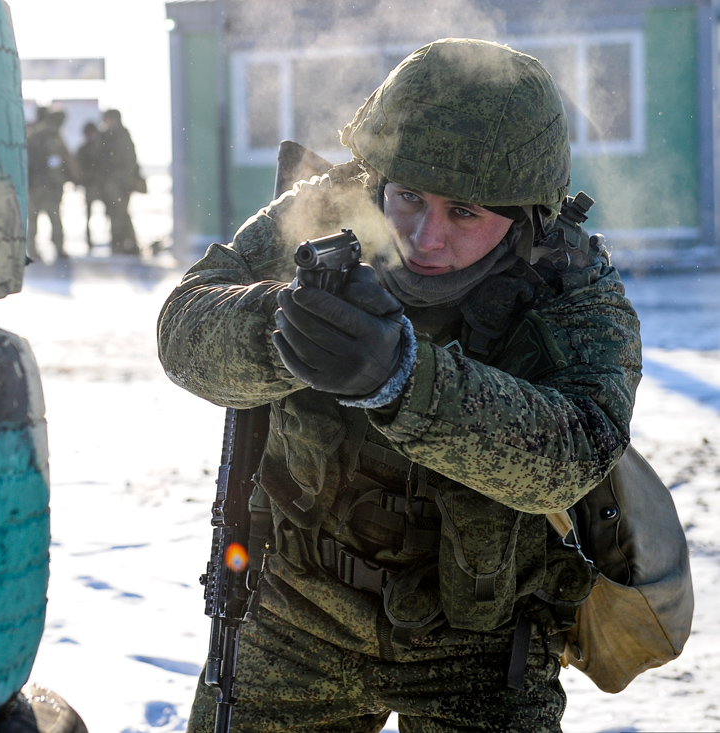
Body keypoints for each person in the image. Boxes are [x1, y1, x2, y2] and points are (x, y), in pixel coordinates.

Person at [157, 38, 641, 732]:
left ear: (526, 216)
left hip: (480, 650)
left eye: (464, 212)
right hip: (293, 616)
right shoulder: (329, 210)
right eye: (408, 196)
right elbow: (183, 329)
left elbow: (575, 454)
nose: (423, 236)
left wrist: (403, 381)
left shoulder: (570, 286)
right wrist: (289, 327)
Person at [26, 108, 73, 260]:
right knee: (54, 217)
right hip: (47, 186)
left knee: (34, 219)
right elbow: (55, 163)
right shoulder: (51, 137)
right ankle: (57, 248)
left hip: (36, 185)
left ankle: (33, 249)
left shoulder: (34, 136)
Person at [98, 108, 140, 255]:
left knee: (120, 214)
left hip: (119, 183)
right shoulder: (108, 136)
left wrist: (121, 181)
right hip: (112, 183)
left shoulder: (121, 137)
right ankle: (124, 244)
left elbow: (128, 163)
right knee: (117, 213)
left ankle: (124, 244)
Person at [76, 121, 105, 252]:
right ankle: (88, 239)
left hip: (102, 184)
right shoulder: (84, 149)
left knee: (109, 212)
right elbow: (78, 167)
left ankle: (115, 241)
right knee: (88, 214)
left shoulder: (102, 147)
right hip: (90, 185)